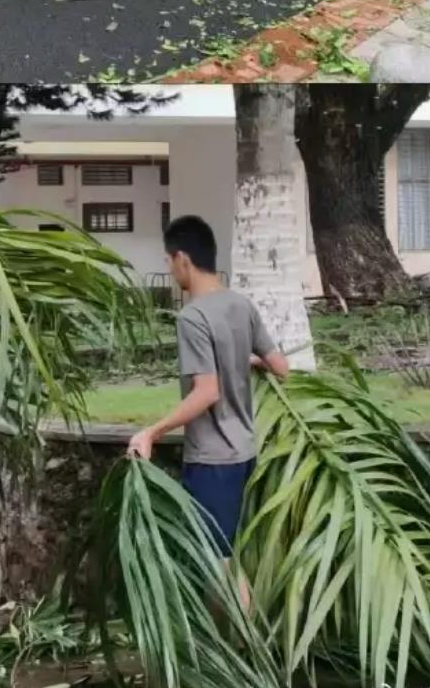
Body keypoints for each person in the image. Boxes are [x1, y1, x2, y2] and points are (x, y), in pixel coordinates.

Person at [126, 217, 288, 608]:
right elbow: (282, 368)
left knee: (219, 565)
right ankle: (231, 637)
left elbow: (207, 392)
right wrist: (244, 360)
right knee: (225, 558)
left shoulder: (192, 318)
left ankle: (249, 644)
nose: (170, 270)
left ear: (182, 259)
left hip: (213, 462)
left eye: (169, 261)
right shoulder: (241, 305)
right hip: (246, 454)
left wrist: (152, 432)